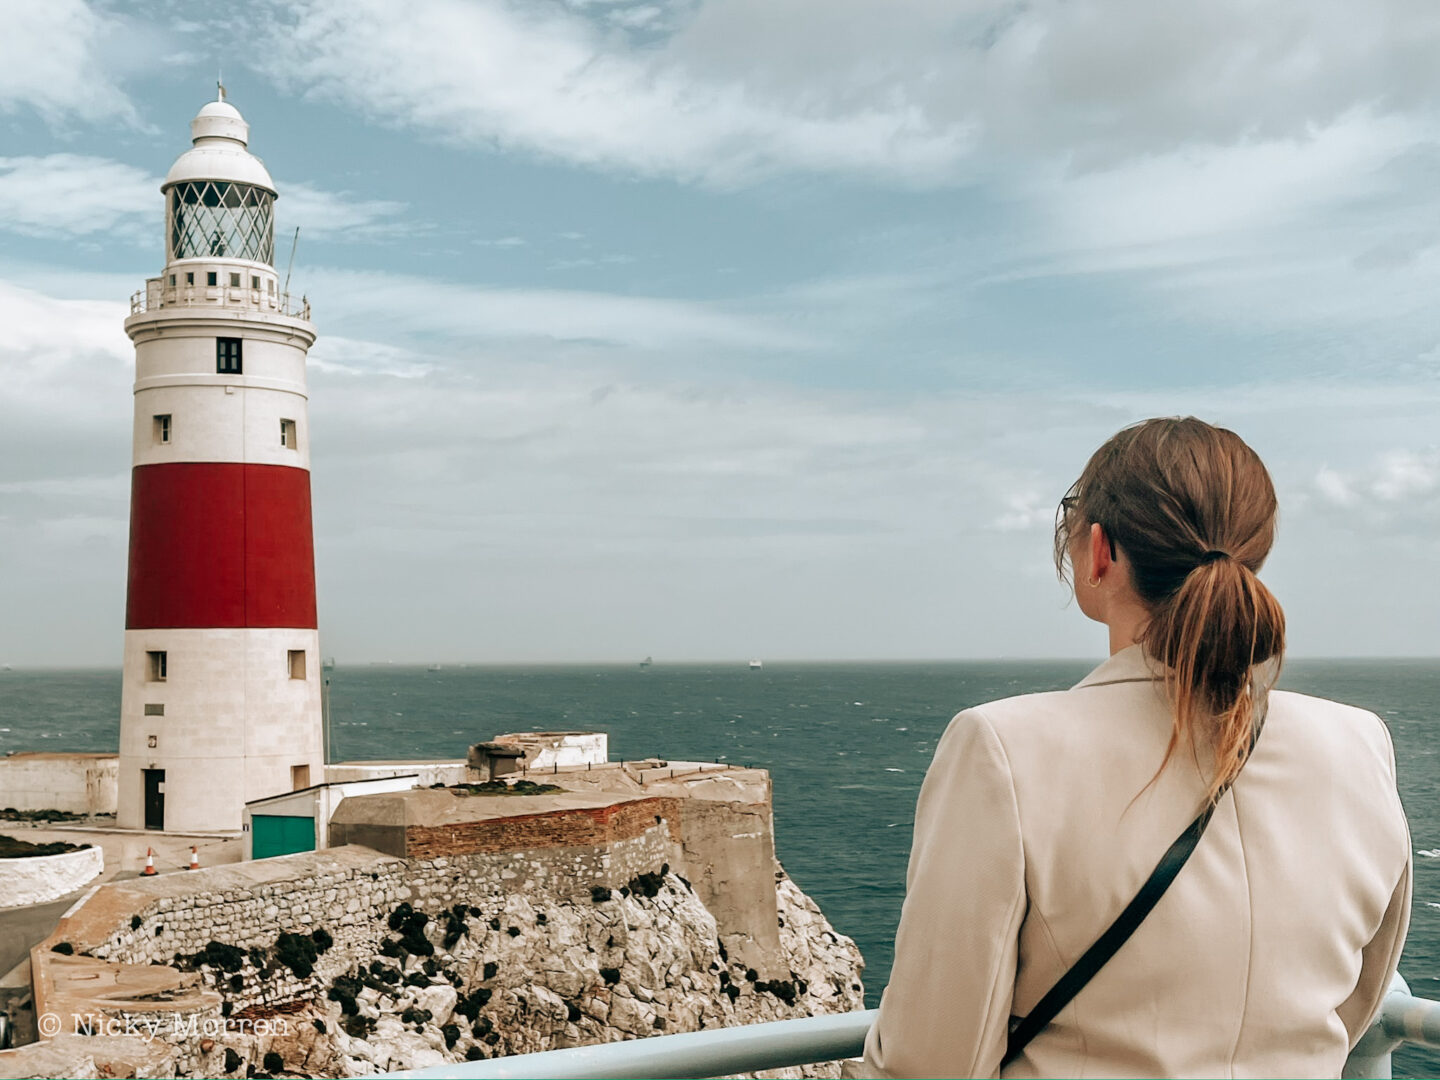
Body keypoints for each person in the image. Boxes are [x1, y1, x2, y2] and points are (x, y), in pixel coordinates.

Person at [862, 417, 1412, 1079]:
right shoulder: (1359, 743)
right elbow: (1357, 1001)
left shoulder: (1003, 750)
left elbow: (933, 1061)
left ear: (1099, 551)